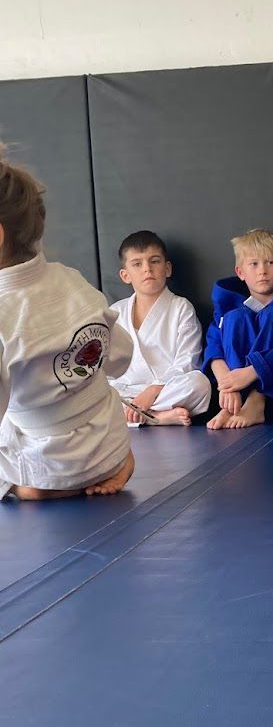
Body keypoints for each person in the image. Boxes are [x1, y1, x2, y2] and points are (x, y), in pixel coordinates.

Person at [0, 146, 135, 501]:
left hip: (50, 468)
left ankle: (33, 486)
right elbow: (121, 357)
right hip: (109, 444)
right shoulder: (71, 279)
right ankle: (111, 461)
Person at [203, 228, 273, 430]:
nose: (262, 271)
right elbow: (214, 345)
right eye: (254, 264)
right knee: (235, 318)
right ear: (240, 272)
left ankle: (258, 399)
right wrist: (228, 384)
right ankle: (233, 406)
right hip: (236, 394)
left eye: (270, 263)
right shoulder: (227, 306)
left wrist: (253, 371)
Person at [109, 231, 211, 426]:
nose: (147, 269)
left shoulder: (181, 307)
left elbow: (187, 361)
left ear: (167, 268)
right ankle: (156, 418)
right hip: (127, 391)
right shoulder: (115, 312)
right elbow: (108, 368)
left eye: (154, 261)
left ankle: (135, 416)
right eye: (137, 264)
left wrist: (153, 390)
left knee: (199, 384)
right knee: (93, 391)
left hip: (166, 390)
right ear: (125, 275)